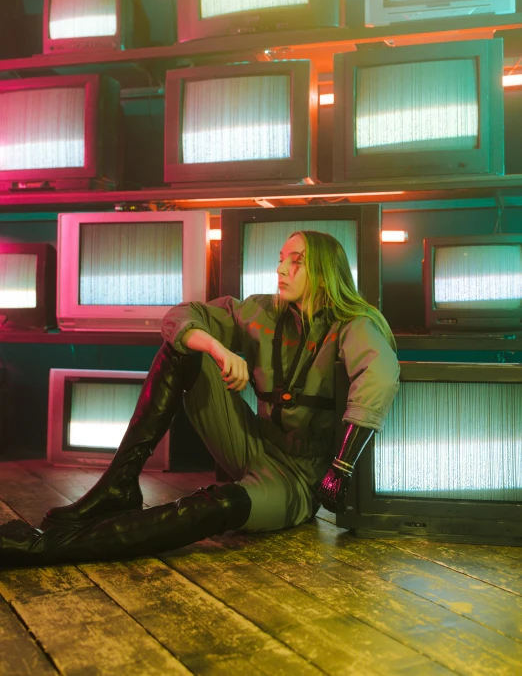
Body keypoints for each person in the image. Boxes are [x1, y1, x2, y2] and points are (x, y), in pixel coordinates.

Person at [0, 230, 400, 567]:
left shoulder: (354, 324)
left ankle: (44, 547)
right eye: (280, 259)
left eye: (295, 261)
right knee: (184, 347)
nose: (280, 269)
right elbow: (180, 317)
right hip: (252, 444)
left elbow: (379, 375)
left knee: (217, 507)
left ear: (325, 270)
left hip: (296, 478)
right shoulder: (262, 312)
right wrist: (218, 348)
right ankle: (119, 485)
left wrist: (341, 467)